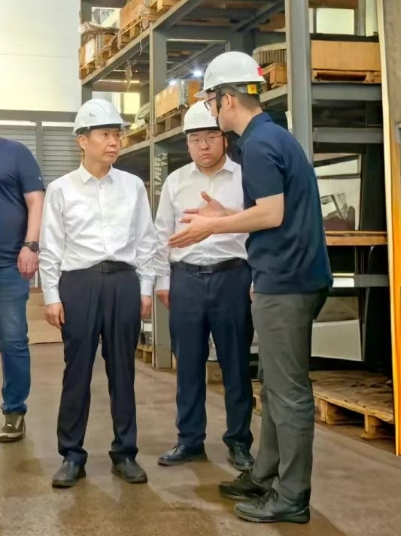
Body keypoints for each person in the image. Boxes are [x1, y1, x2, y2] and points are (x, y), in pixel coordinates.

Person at [170, 51, 332, 524]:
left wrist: (211, 227)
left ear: (226, 99)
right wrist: (226, 215)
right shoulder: (271, 137)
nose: (212, 113)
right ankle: (265, 476)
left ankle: (292, 497)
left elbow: (272, 214)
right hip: (286, 276)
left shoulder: (258, 145)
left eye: (212, 103)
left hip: (288, 282)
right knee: (276, 388)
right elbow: (272, 210)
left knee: (288, 393)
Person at [39, 98, 158, 488]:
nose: (114, 142)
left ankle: (125, 453)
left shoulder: (132, 187)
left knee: (123, 370)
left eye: (117, 135)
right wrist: (51, 295)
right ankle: (71, 455)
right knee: (77, 371)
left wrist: (145, 287)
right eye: (105, 134)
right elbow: (51, 245)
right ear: (82, 140)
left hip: (123, 281)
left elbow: (145, 240)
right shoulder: (61, 190)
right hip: (80, 283)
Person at [153, 101, 255, 472]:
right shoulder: (176, 182)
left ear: (224, 139)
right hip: (187, 280)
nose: (204, 146)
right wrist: (163, 280)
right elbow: (161, 233)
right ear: (187, 144)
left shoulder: (245, 177)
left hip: (233, 278)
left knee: (236, 364)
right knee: (189, 364)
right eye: (195, 139)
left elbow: (259, 228)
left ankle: (239, 441)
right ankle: (190, 439)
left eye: (211, 137)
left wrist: (255, 278)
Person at [0, 88, 45, 443]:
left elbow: (35, 201)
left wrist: (31, 245)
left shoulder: (15, 152)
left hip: (7, 262)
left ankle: (14, 410)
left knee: (13, 339)